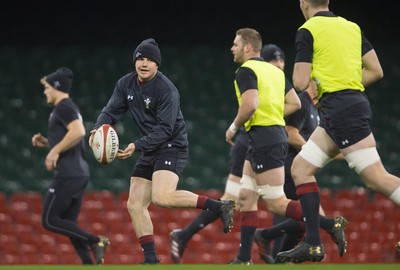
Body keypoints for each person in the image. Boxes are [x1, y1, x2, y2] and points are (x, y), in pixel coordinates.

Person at [88, 38, 236, 264]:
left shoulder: (167, 90)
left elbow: (166, 130)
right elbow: (110, 112)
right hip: (150, 148)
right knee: (135, 204)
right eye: (140, 59)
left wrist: (136, 146)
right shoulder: (125, 84)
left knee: (162, 197)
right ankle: (151, 259)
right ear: (135, 62)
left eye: (149, 60)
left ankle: (218, 206)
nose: (144, 64)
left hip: (171, 146)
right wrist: (97, 130)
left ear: (157, 65)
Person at [276, 0, 400, 264]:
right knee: (300, 169)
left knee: (376, 178)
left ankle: (312, 242)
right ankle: (312, 244)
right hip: (343, 109)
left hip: (342, 111)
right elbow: (376, 71)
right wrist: (344, 86)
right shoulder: (351, 27)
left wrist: (329, 88)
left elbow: (299, 82)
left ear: (303, 3)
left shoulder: (308, 29)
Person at [226, 28, 347, 265]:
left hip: (263, 137)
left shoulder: (246, 70)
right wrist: (271, 113)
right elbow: (294, 103)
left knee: (276, 202)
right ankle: (243, 259)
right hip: (267, 136)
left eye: (235, 44)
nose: (232, 48)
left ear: (248, 47)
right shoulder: (275, 71)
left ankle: (330, 224)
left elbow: (250, 104)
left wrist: (233, 126)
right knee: (246, 196)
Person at [169, 43, 290, 265]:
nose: (279, 64)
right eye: (275, 60)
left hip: (262, 142)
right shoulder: (261, 75)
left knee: (244, 199)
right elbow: (255, 105)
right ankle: (185, 235)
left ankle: (236, 255)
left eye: (282, 60)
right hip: (247, 142)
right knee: (232, 200)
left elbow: (292, 104)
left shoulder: (274, 79)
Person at [253, 44, 326, 264]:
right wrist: (312, 153)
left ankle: (277, 259)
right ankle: (265, 236)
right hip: (290, 167)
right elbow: (291, 134)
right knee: (314, 217)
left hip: (301, 168)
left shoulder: (315, 108)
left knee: (300, 227)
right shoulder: (301, 102)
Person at [31, 67, 110, 265]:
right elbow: (71, 138)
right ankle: (88, 264)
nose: (45, 92)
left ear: (57, 87)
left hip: (68, 173)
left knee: (49, 219)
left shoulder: (64, 107)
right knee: (70, 226)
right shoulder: (67, 108)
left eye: (47, 87)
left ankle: (96, 241)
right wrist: (48, 143)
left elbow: (78, 132)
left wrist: (54, 150)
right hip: (79, 173)